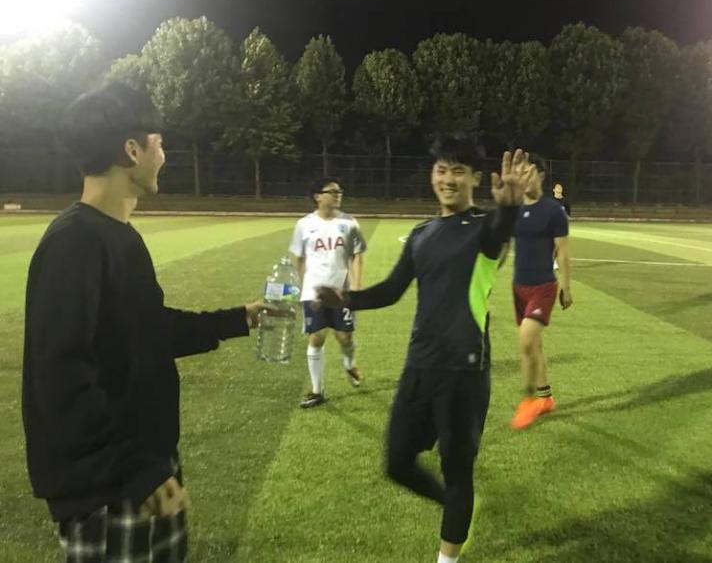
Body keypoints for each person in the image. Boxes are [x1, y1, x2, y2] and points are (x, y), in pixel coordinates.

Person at [21, 82, 271, 561]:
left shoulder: (120, 237)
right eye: (159, 143)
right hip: (111, 487)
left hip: (145, 471)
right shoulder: (74, 242)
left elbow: (146, 332)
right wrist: (137, 471)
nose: (164, 155)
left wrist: (237, 319)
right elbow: (62, 377)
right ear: (131, 151)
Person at [314, 135, 533, 563]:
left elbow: (500, 230)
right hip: (420, 364)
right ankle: (457, 507)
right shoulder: (421, 234)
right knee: (397, 463)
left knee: (457, 469)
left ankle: (448, 551)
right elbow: (392, 290)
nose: (448, 179)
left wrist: (509, 208)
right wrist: (345, 299)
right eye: (441, 170)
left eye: (458, 171)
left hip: (464, 370)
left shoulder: (485, 229)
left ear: (475, 178)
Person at [289, 177, 367, 408]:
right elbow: (298, 258)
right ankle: (317, 391)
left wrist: (356, 287)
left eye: (339, 191)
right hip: (314, 292)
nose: (338, 195)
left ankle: (349, 364)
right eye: (332, 191)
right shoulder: (304, 224)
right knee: (316, 336)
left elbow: (357, 256)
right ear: (317, 196)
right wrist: (306, 285)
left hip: (341, 291)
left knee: (345, 337)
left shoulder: (349, 223)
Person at [509, 154, 572, 430]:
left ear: (541, 176)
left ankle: (528, 400)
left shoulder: (553, 211)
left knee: (526, 340)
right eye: (520, 172)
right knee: (535, 345)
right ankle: (546, 398)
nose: (524, 177)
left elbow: (563, 252)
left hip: (544, 286)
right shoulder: (513, 210)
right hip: (518, 287)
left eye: (529, 172)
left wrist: (566, 287)